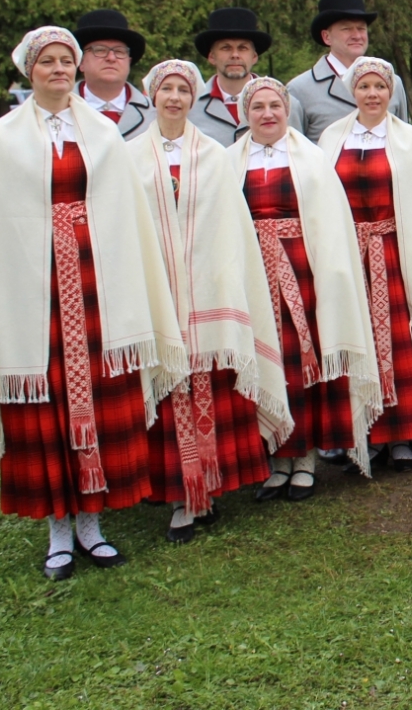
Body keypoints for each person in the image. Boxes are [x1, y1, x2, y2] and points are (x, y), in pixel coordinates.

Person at [0, 27, 185, 580]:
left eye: (65, 61)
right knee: (46, 405)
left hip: (97, 283)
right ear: (29, 70)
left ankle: (92, 526)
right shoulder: (2, 138)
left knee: (100, 399)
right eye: (46, 62)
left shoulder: (101, 133)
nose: (57, 69)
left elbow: (125, 215)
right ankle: (57, 528)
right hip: (34, 292)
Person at [131, 60, 291, 542]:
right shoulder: (129, 157)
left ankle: (212, 485)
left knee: (208, 385)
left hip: (207, 290)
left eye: (183, 90)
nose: (175, 98)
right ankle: (181, 495)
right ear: (152, 97)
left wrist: (216, 277)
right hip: (157, 288)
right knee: (169, 383)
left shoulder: (215, 156)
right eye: (167, 90)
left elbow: (228, 227)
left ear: (193, 98)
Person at [231, 76, 383, 500]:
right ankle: (276, 459)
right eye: (258, 107)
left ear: (287, 110)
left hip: (301, 272)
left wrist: (328, 278)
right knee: (266, 359)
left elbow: (330, 226)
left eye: (275, 106)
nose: (267, 114)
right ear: (246, 114)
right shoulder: (227, 162)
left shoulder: (312, 160)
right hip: (251, 274)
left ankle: (304, 461)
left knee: (302, 364)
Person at [319, 57, 412, 471]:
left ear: (391, 93)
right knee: (355, 339)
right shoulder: (331, 138)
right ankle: (359, 432)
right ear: (353, 92)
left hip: (395, 252)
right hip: (349, 256)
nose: (372, 94)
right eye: (364, 87)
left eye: (379, 87)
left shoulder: (409, 141)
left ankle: (402, 434)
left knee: (400, 342)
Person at [287, 0, 410, 144]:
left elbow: (405, 143)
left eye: (361, 28)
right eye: (346, 29)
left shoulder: (393, 83)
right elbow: (293, 154)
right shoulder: (299, 90)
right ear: (327, 37)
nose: (357, 35)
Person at [190, 6, 307, 145]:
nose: (235, 55)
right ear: (211, 56)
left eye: (243, 48)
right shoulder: (191, 107)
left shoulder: (286, 104)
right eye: (225, 48)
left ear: (254, 56)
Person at [73, 9, 154, 139]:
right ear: (81, 62)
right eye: (99, 50)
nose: (111, 58)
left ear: (129, 61)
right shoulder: (57, 109)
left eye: (120, 51)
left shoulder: (155, 115)